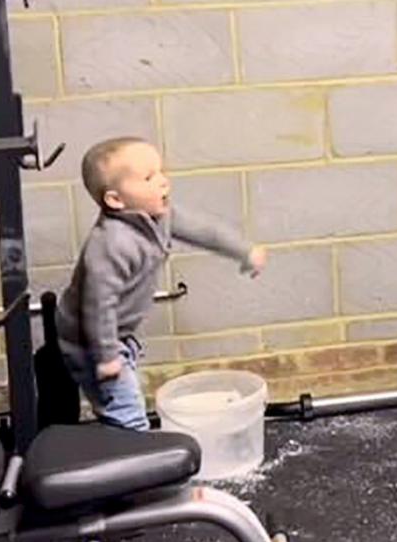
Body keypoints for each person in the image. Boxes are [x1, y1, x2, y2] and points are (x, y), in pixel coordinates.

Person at [56, 136, 267, 431]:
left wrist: (243, 250)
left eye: (161, 172)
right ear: (116, 199)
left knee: (126, 403)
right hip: (89, 341)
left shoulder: (158, 217)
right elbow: (97, 304)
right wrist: (106, 357)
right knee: (127, 414)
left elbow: (203, 230)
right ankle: (139, 469)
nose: (163, 182)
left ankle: (135, 459)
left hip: (115, 335)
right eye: (148, 177)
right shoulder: (110, 244)